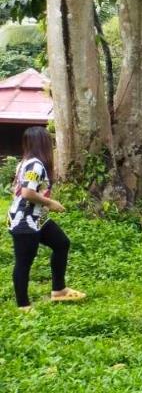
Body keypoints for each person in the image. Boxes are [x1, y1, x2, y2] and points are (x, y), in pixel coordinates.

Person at [8, 126, 84, 308]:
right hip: (25, 221)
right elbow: (26, 192)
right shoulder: (35, 164)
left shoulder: (25, 162)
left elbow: (15, 190)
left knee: (61, 243)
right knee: (24, 262)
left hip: (37, 218)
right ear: (42, 143)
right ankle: (23, 306)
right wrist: (50, 203)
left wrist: (41, 204)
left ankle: (59, 290)